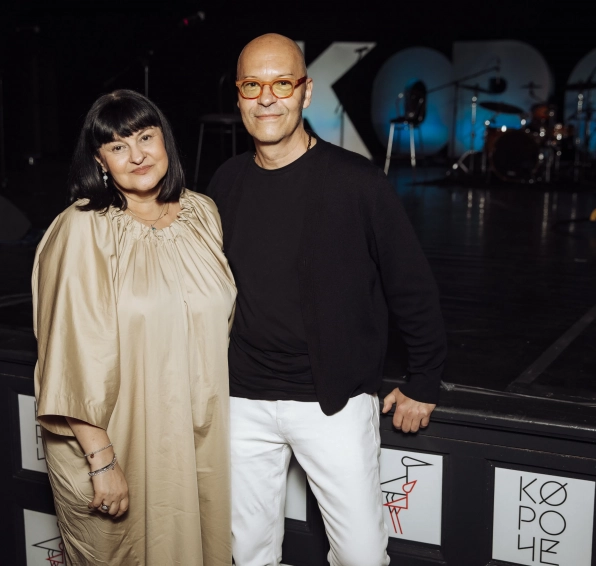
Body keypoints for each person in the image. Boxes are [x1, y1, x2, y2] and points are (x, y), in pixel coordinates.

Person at [205, 34, 447, 565]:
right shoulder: (225, 182)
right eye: (253, 86)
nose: (267, 99)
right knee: (247, 555)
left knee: (362, 557)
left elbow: (411, 285)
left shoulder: (358, 182)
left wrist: (424, 379)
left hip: (332, 404)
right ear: (239, 96)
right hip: (242, 402)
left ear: (306, 91)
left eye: (282, 83)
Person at [32, 89, 236, 565]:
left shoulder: (203, 213)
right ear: (100, 160)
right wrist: (102, 462)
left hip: (200, 438)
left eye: (146, 137)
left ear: (165, 140)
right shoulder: (84, 228)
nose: (138, 155)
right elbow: (71, 356)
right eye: (118, 146)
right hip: (121, 441)